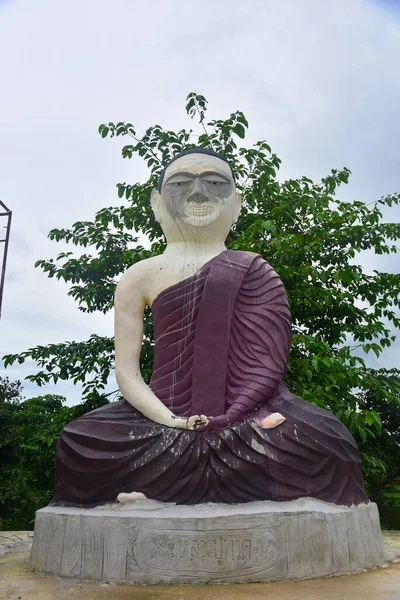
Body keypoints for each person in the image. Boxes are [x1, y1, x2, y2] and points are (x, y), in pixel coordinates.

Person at [54, 148, 368, 507]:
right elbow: (127, 372)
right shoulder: (140, 275)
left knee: (330, 441)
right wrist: (171, 421)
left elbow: (268, 364)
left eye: (215, 183)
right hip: (161, 414)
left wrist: (232, 416)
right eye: (181, 183)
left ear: (236, 202)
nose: (198, 193)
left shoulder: (253, 269)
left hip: (249, 412)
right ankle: (194, 471)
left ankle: (162, 486)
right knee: (79, 440)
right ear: (156, 203)